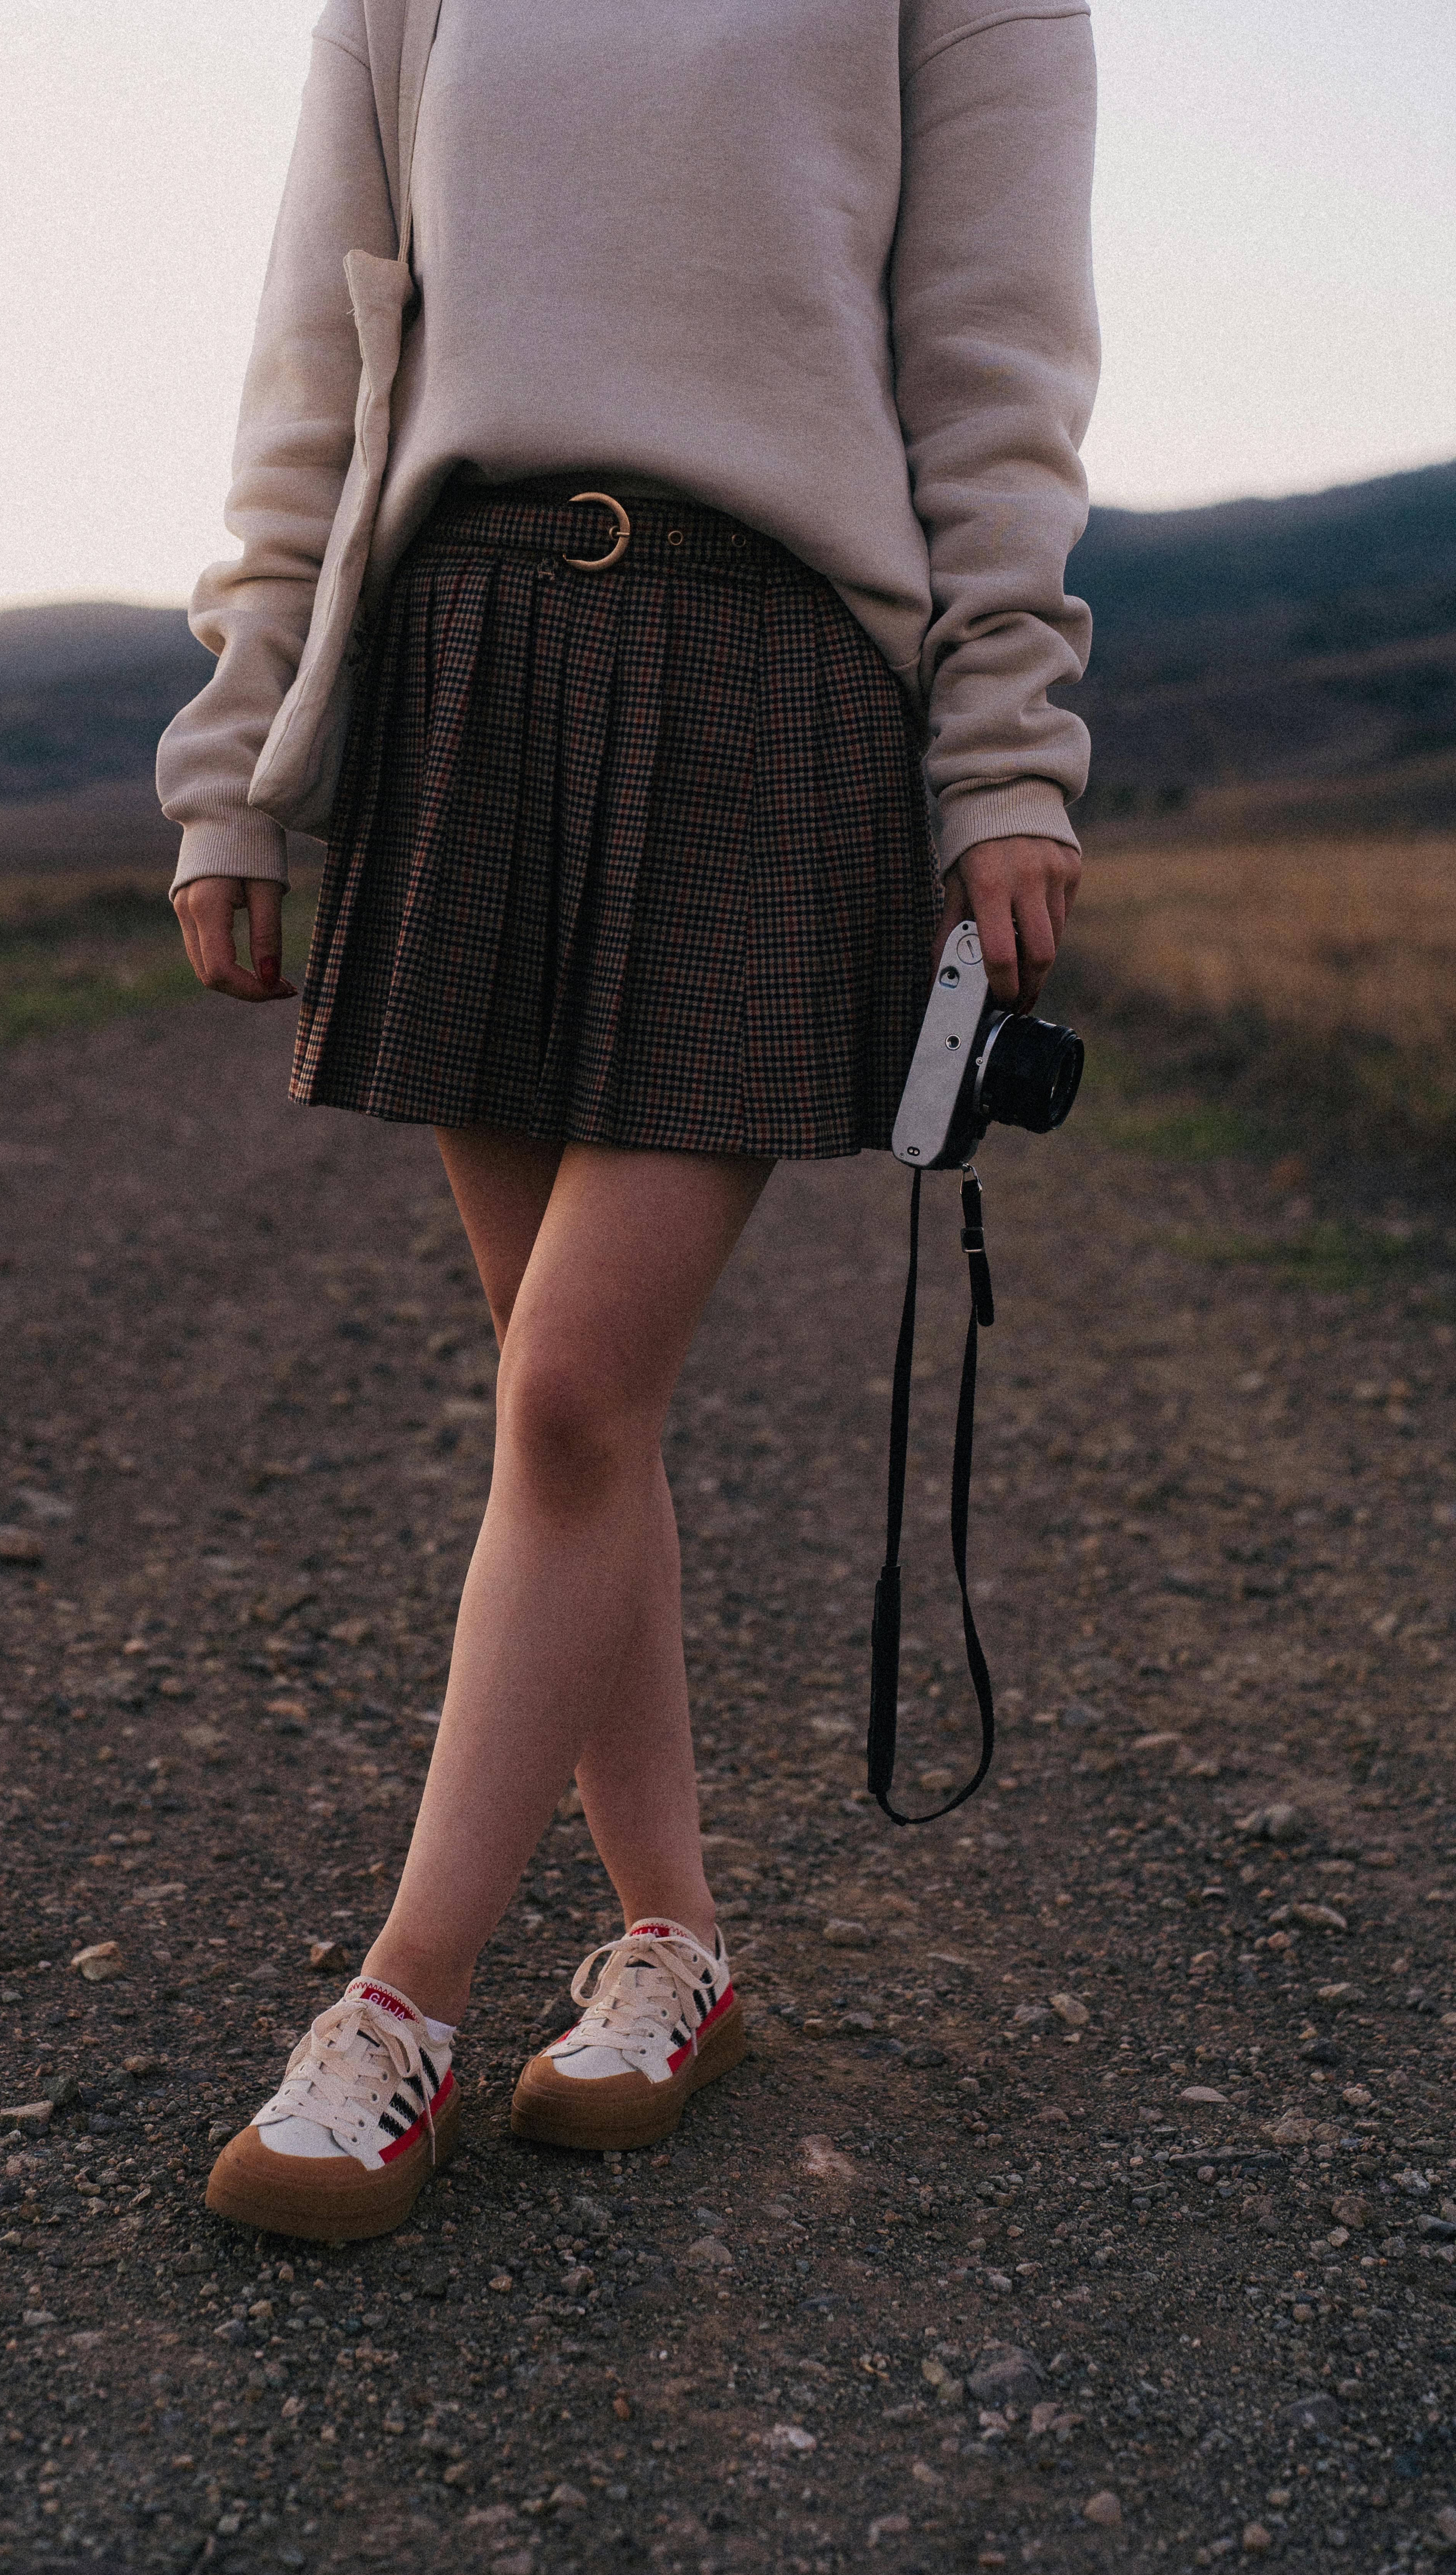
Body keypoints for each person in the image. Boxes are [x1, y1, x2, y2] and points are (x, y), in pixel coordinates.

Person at [159, 0, 1098, 2244]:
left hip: (773, 678)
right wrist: (235, 754)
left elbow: (994, 364)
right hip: (463, 666)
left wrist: (1005, 753)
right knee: (573, 1408)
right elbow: (320, 345)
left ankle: (403, 2001)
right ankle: (669, 1940)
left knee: (577, 1378)